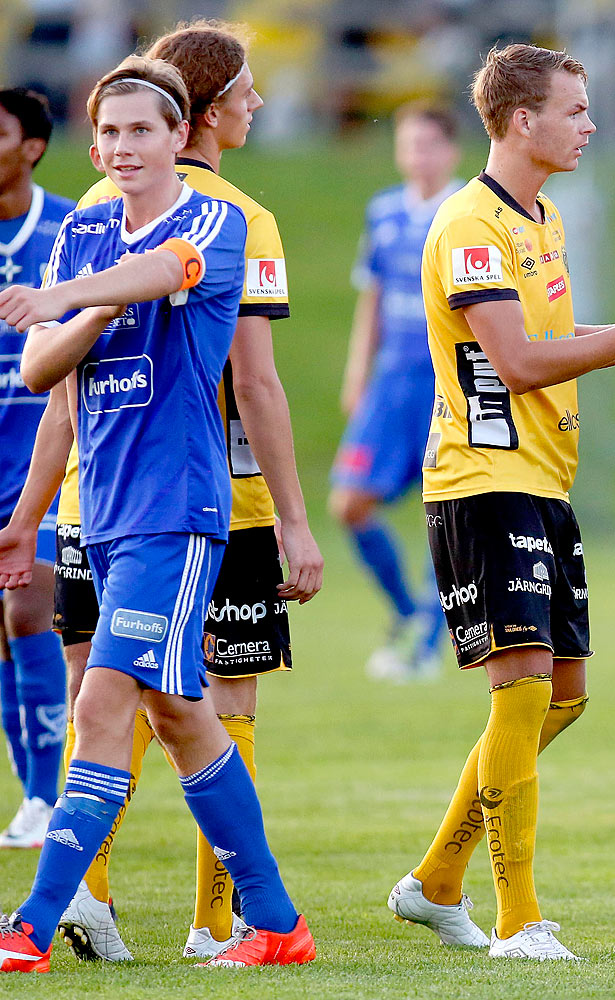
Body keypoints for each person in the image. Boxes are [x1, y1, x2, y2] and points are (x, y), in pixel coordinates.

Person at [0, 21, 324, 963]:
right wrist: (90, 306)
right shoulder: (86, 227)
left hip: (174, 512)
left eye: (142, 131)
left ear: (179, 137)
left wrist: (70, 298)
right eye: (108, 134)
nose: (121, 148)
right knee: (178, 716)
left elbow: (170, 271)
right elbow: (41, 375)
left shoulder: (215, 219)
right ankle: (277, 926)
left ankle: (29, 927)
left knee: (102, 703)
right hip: (95, 514)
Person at [390, 43, 615, 961]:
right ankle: (517, 920)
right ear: (521, 120)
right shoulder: (469, 226)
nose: (590, 123)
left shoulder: (544, 218)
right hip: (482, 484)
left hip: (542, 482)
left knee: (560, 697)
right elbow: (520, 363)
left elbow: (558, 335)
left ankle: (434, 881)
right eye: (575, 109)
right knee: (524, 687)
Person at [331, 100, 461, 682]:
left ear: (452, 151)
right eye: (409, 143)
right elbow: (373, 297)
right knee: (349, 503)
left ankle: (427, 641)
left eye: (429, 144)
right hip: (391, 381)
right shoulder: (383, 211)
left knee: (449, 508)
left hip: (447, 380)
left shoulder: (466, 211)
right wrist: (358, 374)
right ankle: (410, 613)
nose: (418, 155)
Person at [0, 89, 73, 850]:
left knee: (29, 611)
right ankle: (30, 796)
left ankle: (44, 796)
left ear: (31, 148)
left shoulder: (64, 227)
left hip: (42, 460)